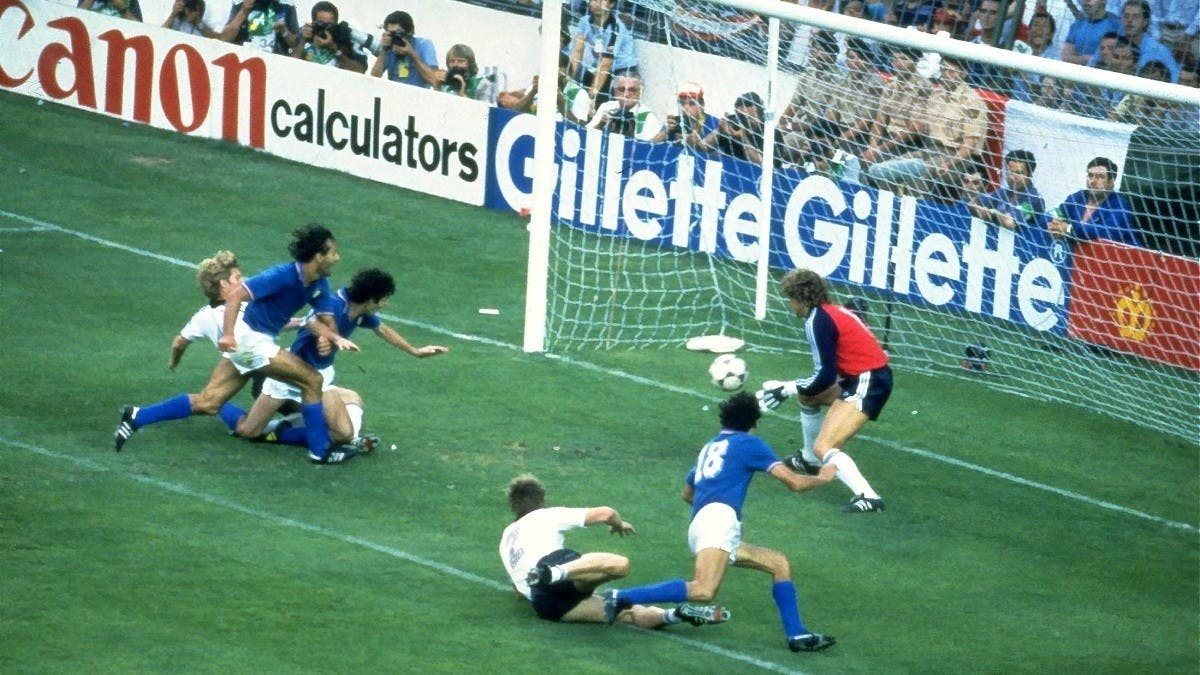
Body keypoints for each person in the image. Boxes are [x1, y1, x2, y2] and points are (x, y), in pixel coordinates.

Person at [602, 392, 837, 653]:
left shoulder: (710, 447)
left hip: (705, 521)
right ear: (754, 422)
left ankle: (797, 635)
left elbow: (687, 493)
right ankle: (621, 597)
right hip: (718, 522)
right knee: (703, 590)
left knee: (778, 563)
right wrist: (823, 479)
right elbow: (794, 482)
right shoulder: (750, 443)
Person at [114, 225, 360, 464]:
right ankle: (320, 450)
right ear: (318, 256)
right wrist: (229, 334)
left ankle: (136, 416)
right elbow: (236, 295)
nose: (337, 258)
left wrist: (330, 337)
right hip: (249, 341)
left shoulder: (318, 284)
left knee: (209, 403)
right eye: (333, 253)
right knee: (313, 380)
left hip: (255, 343)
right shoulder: (283, 275)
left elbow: (327, 318)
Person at [219, 268, 449, 449]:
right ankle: (218, 404)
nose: (385, 304)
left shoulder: (359, 313)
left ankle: (280, 429)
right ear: (371, 299)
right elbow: (310, 320)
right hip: (291, 373)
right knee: (247, 432)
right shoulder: (335, 304)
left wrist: (415, 351)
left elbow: (383, 330)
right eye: (384, 299)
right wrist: (326, 336)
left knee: (343, 434)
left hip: (321, 377)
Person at [501, 474, 730, 628]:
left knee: (620, 610)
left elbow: (519, 590)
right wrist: (618, 524)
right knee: (620, 565)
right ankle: (555, 572)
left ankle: (673, 615)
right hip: (555, 567)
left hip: (546, 604)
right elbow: (606, 513)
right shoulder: (545, 515)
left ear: (514, 507)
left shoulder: (505, 540)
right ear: (542, 499)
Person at [758, 267, 892, 513]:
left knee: (825, 446)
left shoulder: (817, 321)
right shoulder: (832, 311)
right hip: (865, 376)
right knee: (808, 397)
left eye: (791, 299)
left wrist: (784, 389)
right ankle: (809, 461)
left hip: (868, 381)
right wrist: (793, 388)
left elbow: (824, 376)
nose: (791, 306)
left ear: (800, 299)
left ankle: (869, 497)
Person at [867, 55, 987, 197]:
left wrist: (949, 164)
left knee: (918, 175)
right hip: (930, 149)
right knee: (886, 170)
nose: (946, 75)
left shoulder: (972, 102)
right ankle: (892, 210)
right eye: (943, 70)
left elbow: (969, 146)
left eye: (951, 71)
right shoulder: (936, 94)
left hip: (958, 158)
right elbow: (921, 125)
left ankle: (914, 214)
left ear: (963, 74)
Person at [1045, 156, 1142, 246]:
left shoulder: (1120, 206)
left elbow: (1103, 233)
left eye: (1100, 177)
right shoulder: (1079, 197)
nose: (1092, 181)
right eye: (1090, 175)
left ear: (1111, 182)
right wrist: (1055, 223)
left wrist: (1068, 228)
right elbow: (1052, 214)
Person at [566, 0, 639, 112]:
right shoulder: (585, 21)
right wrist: (568, 79)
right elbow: (577, 51)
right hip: (601, 66)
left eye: (602, 0)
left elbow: (606, 64)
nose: (597, 4)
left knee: (600, 101)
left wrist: (592, 96)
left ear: (611, 4)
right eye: (594, 0)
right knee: (581, 86)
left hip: (623, 71)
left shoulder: (615, 28)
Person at [969, 149, 1047, 230]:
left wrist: (992, 213)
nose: (1012, 177)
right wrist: (980, 210)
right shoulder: (1004, 192)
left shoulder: (1035, 199)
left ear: (1030, 175)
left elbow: (1010, 223)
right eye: (1009, 172)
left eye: (1018, 173)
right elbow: (973, 202)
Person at [292, 1, 368, 73]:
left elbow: (360, 71)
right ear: (313, 23)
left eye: (329, 25)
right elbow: (290, 64)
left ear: (336, 24)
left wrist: (335, 50)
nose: (325, 28)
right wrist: (303, 40)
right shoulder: (305, 34)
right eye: (321, 23)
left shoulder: (345, 38)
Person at [369, 11, 439, 89]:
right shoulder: (389, 48)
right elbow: (374, 78)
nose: (395, 38)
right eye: (391, 34)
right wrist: (384, 50)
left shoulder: (424, 45)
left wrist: (412, 54)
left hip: (419, 96)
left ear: (410, 33)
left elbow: (435, 80)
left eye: (398, 34)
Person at [585, 72, 662, 140]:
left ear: (641, 92)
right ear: (614, 92)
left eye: (632, 90)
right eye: (621, 89)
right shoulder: (606, 107)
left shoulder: (647, 116)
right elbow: (586, 134)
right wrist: (600, 125)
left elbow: (646, 148)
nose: (626, 94)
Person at [219, 0, 300, 56]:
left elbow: (296, 44)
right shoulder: (241, 3)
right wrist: (244, 10)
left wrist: (284, 31)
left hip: (275, 60)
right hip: (243, 57)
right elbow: (225, 38)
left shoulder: (287, 6)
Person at [658, 82, 719, 152]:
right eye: (682, 103)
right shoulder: (675, 124)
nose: (685, 108)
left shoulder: (715, 125)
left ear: (702, 104)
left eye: (692, 103)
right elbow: (648, 148)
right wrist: (665, 133)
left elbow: (724, 158)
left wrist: (698, 146)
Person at [1061, 0, 1122, 65]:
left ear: (1104, 1)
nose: (1086, 1)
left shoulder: (1116, 25)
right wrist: (1087, 59)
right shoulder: (1077, 25)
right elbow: (1065, 57)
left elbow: (1117, 58)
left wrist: (1081, 59)